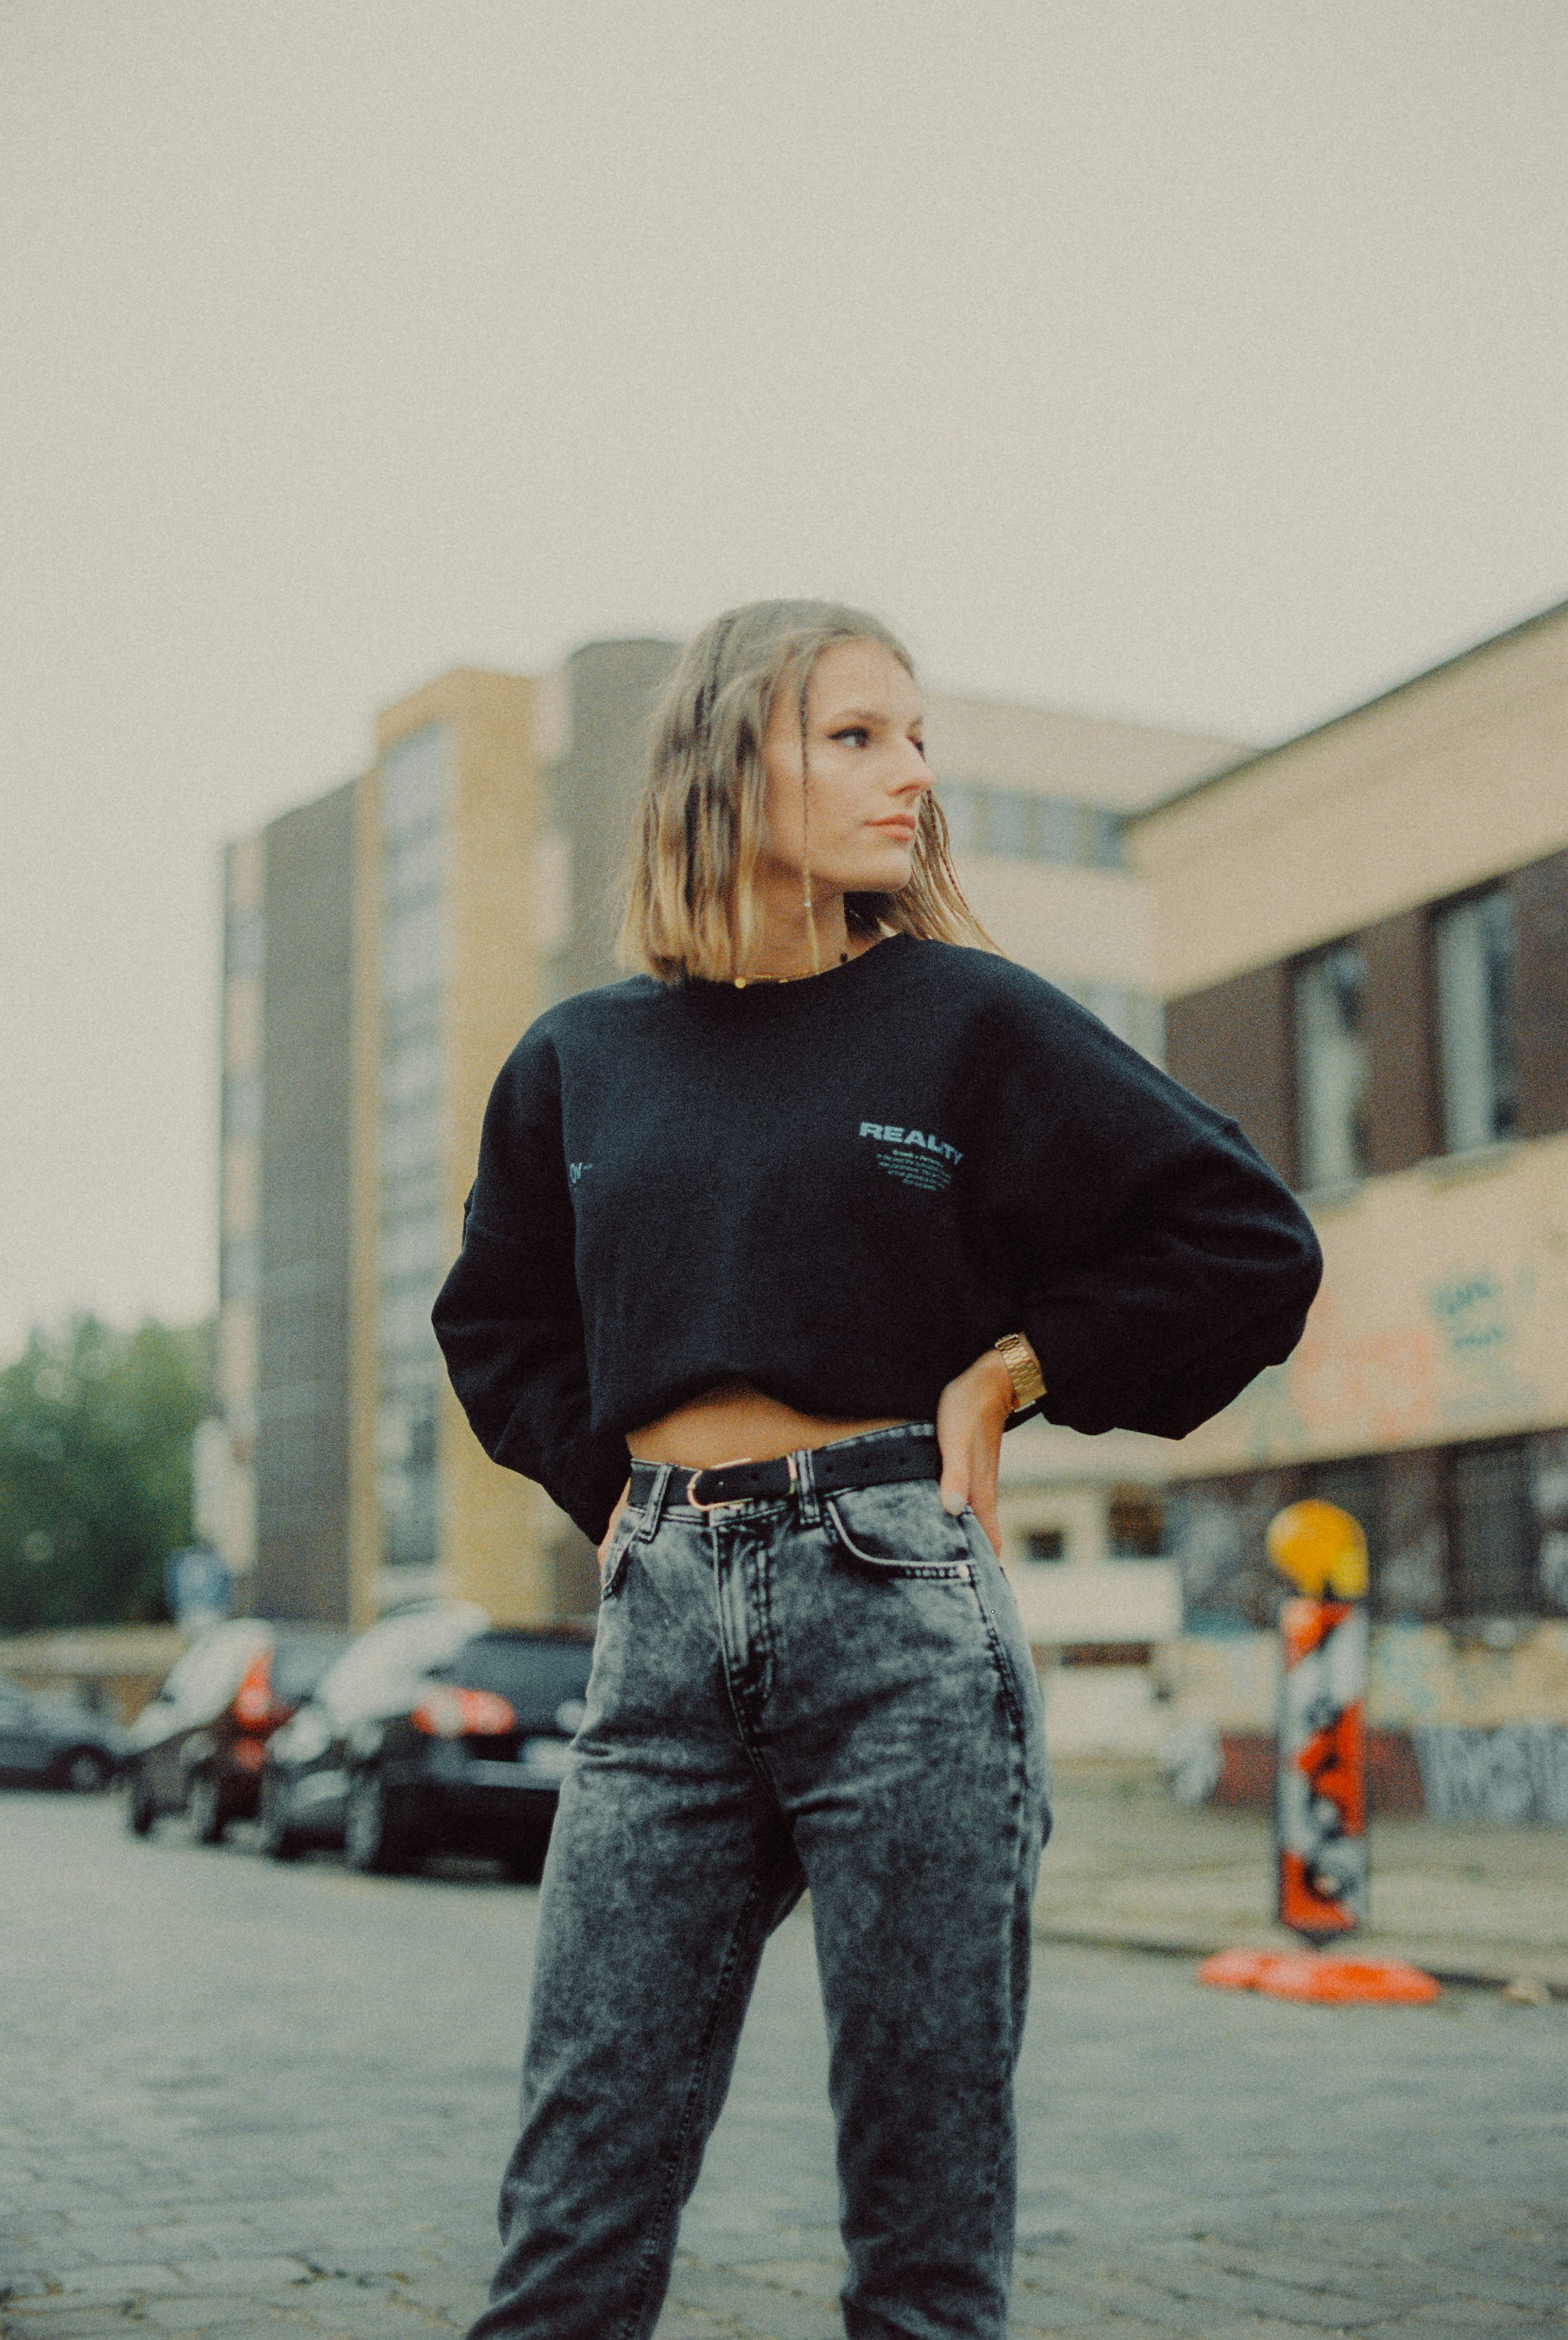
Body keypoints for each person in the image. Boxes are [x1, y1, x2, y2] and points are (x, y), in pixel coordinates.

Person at [432, 599, 1322, 2340]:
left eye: (917, 738)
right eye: (855, 736)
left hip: (901, 1620)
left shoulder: (967, 1022)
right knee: (569, 2228)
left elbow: (1243, 1240)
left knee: (921, 2242)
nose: (909, 774)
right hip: (660, 1637)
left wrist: (1016, 1371)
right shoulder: (578, 1061)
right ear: (724, 759)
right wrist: (607, 1490)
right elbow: (498, 1322)